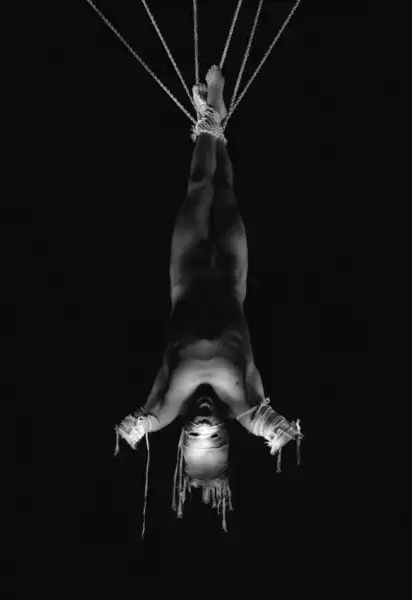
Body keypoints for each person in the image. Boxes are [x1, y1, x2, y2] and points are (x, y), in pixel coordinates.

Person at [114, 65, 303, 534]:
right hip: (231, 270)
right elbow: (266, 423)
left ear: (182, 434)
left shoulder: (169, 405)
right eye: (212, 433)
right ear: (225, 431)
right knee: (226, 192)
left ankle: (210, 117)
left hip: (187, 265)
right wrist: (280, 433)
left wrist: (132, 429)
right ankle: (213, 119)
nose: (202, 423)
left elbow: (145, 420)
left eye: (194, 433)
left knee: (200, 186)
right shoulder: (242, 401)